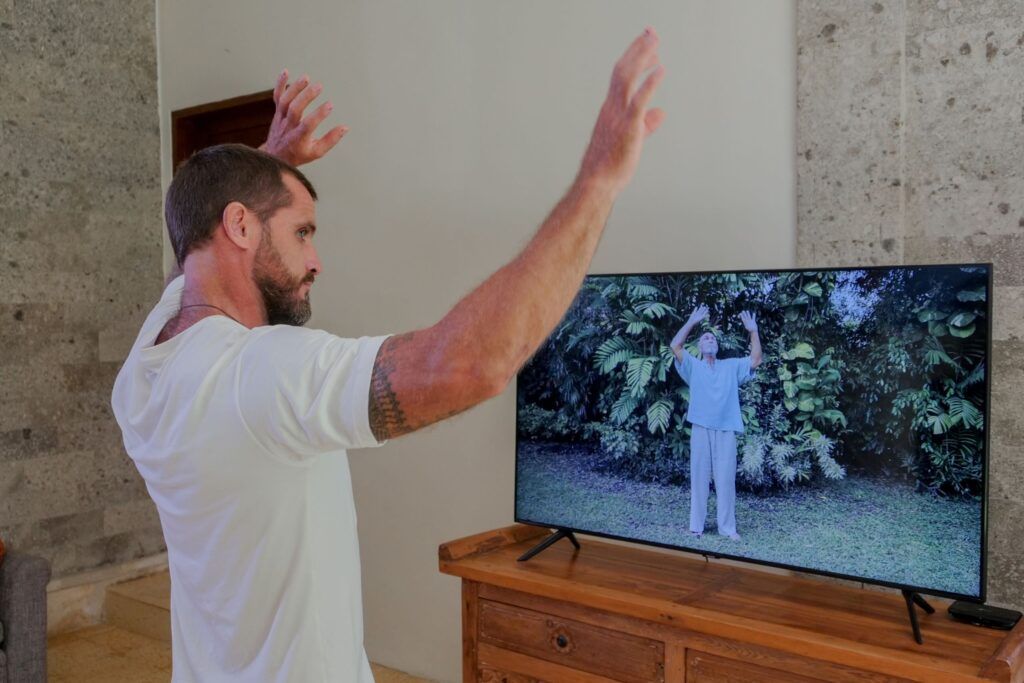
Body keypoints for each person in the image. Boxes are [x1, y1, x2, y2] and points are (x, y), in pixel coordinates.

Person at [110, 29, 665, 683]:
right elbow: (468, 364)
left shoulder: (147, 359)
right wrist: (599, 180)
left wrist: (268, 164)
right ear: (240, 225)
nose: (316, 259)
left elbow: (199, 251)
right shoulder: (260, 373)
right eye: (302, 232)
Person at [669, 304, 762, 540]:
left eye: (712, 338)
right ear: (700, 347)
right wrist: (691, 321)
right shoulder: (692, 366)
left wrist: (753, 331)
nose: (710, 339)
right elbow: (675, 346)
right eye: (705, 338)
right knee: (699, 477)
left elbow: (755, 359)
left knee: (726, 480)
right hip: (701, 428)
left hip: (726, 429)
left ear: (717, 347)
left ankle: (727, 528)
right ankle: (696, 526)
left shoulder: (731, 366)